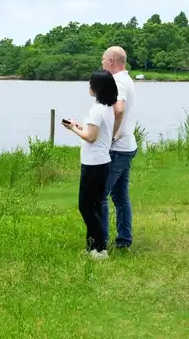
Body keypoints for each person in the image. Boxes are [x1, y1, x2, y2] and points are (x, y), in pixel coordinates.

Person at [63, 69, 118, 260]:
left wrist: (73, 129)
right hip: (102, 163)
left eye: (91, 83)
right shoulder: (107, 108)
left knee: (85, 207)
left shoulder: (96, 111)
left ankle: (101, 248)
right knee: (94, 206)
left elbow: (91, 137)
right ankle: (92, 248)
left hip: (93, 164)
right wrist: (80, 127)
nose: (89, 86)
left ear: (97, 88)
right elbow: (96, 133)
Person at [100, 46, 138, 249]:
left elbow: (119, 108)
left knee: (100, 195)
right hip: (128, 145)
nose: (102, 63)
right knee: (120, 196)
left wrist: (111, 135)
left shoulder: (117, 81)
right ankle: (124, 240)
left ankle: (100, 242)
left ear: (112, 62)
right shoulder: (128, 79)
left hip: (118, 148)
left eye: (104, 60)